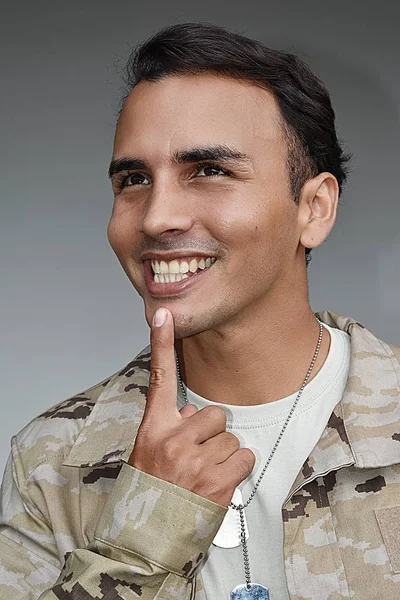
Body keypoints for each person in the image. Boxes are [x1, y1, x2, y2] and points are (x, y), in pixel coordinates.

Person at [1, 22, 399, 600]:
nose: (156, 216)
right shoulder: (51, 461)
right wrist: (143, 539)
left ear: (314, 208)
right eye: (134, 179)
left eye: (209, 171)